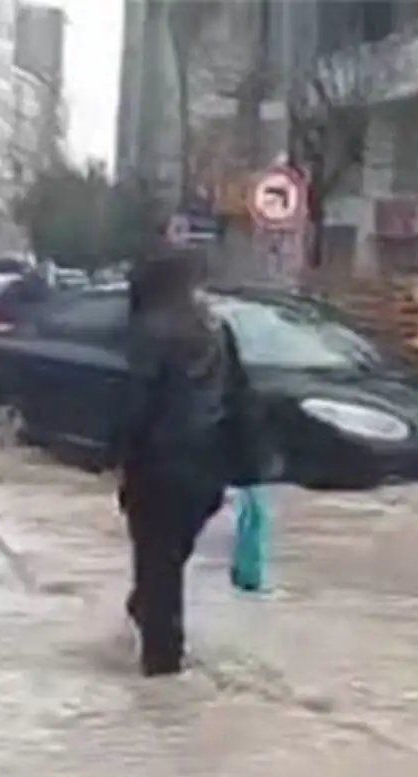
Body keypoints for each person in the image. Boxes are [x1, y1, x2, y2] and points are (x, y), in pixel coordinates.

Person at [106, 248, 262, 677]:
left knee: (158, 563)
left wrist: (115, 454)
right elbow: (240, 399)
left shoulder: (149, 332)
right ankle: (151, 620)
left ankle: (161, 673)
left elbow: (135, 404)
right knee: (168, 560)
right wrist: (248, 462)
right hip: (207, 470)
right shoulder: (217, 330)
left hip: (158, 468)